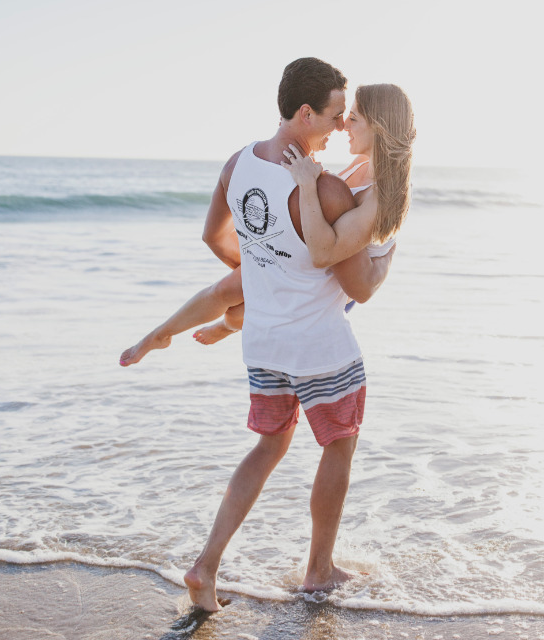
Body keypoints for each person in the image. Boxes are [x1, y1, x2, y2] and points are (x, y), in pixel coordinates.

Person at [127, 58, 415, 614]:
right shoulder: (328, 187)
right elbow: (353, 277)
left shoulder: (239, 163)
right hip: (319, 346)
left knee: (268, 447)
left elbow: (214, 236)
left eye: (348, 117)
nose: (339, 126)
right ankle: (319, 569)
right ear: (307, 112)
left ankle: (205, 566)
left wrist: (265, 268)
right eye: (335, 115)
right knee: (338, 447)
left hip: (262, 341)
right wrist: (382, 265)